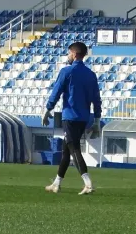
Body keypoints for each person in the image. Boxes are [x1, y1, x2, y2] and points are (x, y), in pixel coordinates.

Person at [42, 41, 102, 195]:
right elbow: (96, 99)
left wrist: (48, 109)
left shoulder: (66, 71)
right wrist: (96, 120)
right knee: (66, 151)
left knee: (74, 148)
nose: (68, 56)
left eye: (69, 53)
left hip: (70, 117)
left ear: (74, 54)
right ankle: (56, 183)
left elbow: (56, 92)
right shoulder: (91, 75)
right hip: (83, 118)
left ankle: (88, 184)